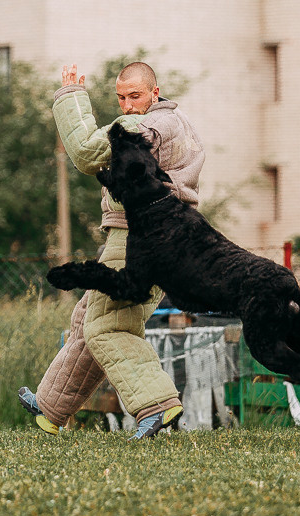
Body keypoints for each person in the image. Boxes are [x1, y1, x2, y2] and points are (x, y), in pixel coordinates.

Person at [18, 60, 205, 439]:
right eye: (121, 98)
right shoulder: (177, 121)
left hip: (143, 237)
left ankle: (157, 405)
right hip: (157, 235)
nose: (127, 105)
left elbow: (87, 153)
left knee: (109, 326)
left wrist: (71, 98)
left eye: (135, 96)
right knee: (88, 320)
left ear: (154, 92)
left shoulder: (147, 125)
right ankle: (53, 405)